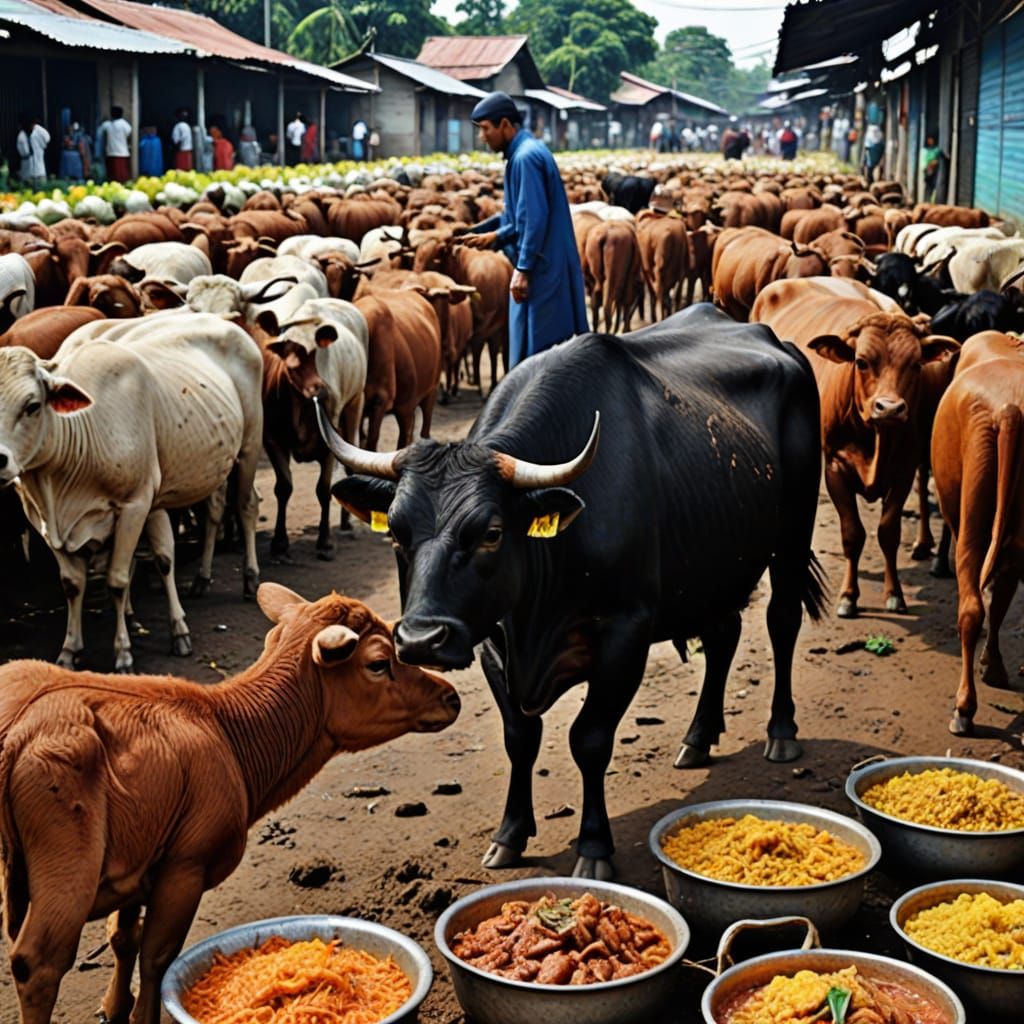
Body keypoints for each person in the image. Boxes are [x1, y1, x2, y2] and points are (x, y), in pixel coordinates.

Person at [461, 92, 588, 369]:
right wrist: (481, 230)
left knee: (540, 359)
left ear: (505, 124)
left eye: (485, 129)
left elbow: (534, 219)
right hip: (546, 262)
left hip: (541, 269)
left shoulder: (525, 159)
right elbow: (517, 214)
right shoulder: (525, 152)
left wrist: (523, 269)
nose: (482, 137)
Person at [98, 106, 131, 183]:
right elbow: (129, 134)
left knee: (112, 176)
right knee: (122, 176)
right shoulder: (125, 124)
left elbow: (99, 132)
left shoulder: (106, 124)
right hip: (123, 153)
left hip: (111, 152)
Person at [16, 115, 49, 185]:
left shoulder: (35, 135)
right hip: (32, 170)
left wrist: (36, 127)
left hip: (37, 171)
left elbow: (47, 138)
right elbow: (25, 152)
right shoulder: (23, 136)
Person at [921, 133, 942, 202]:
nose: (930, 141)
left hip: (934, 171)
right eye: (929, 139)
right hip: (928, 171)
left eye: (931, 139)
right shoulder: (924, 150)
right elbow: (923, 163)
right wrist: (928, 167)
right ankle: (926, 201)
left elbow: (938, 159)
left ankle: (932, 202)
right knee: (928, 188)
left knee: (934, 188)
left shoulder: (936, 150)